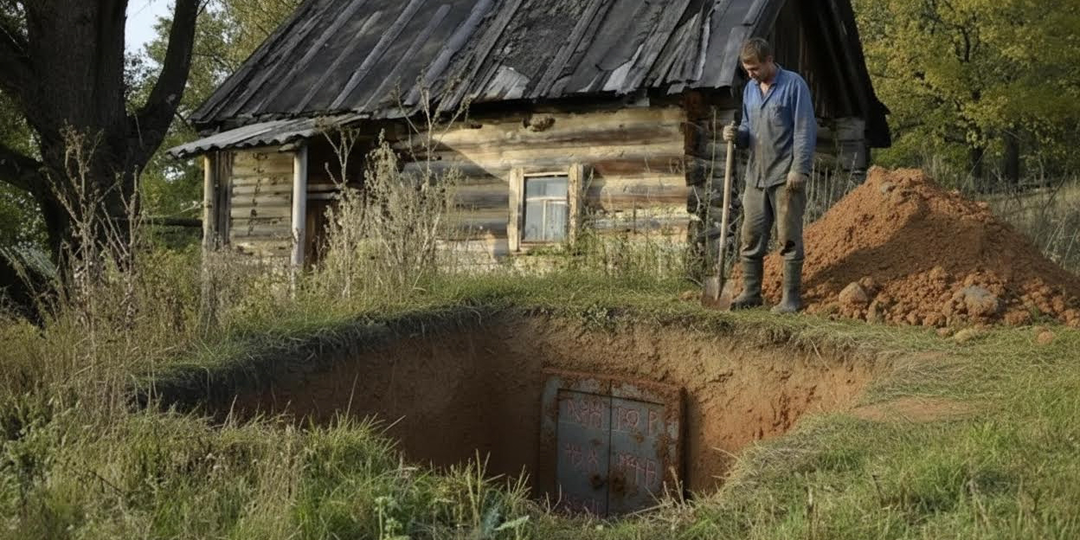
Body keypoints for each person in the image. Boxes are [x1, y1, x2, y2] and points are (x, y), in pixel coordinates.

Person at [722, 37, 817, 313]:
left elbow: (804, 128)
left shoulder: (794, 85)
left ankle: (790, 299)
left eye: (755, 68)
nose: (750, 74)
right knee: (750, 237)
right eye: (747, 69)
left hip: (785, 176)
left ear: (769, 60)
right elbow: (748, 129)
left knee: (787, 239)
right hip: (756, 177)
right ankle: (751, 293)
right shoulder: (750, 91)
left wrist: (800, 168)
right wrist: (735, 135)